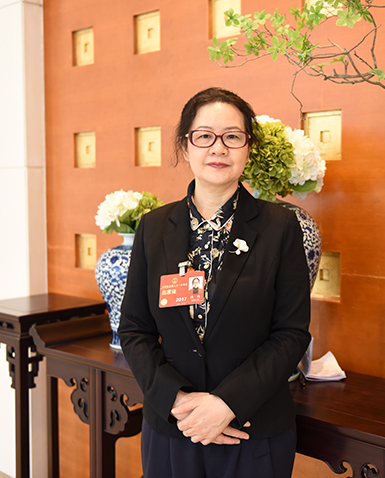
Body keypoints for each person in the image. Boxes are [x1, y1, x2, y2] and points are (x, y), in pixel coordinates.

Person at [118, 87, 311, 478]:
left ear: (248, 147)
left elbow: (291, 333)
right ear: (185, 146)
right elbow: (135, 329)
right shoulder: (153, 227)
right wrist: (178, 401)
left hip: (251, 429)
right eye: (204, 136)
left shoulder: (281, 226)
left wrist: (226, 404)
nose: (218, 148)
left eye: (232, 136)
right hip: (174, 426)